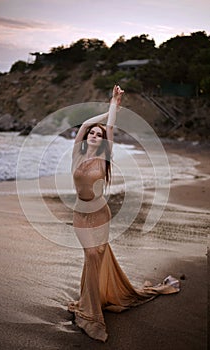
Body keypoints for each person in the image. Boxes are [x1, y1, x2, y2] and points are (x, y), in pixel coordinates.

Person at [68, 85, 180, 342]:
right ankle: (90, 310)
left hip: (100, 214)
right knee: (91, 255)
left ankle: (92, 307)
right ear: (86, 137)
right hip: (80, 215)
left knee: (96, 255)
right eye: (92, 134)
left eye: (99, 133)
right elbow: (86, 123)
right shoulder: (77, 154)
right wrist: (109, 106)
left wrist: (114, 108)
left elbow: (110, 128)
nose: (95, 135)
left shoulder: (106, 155)